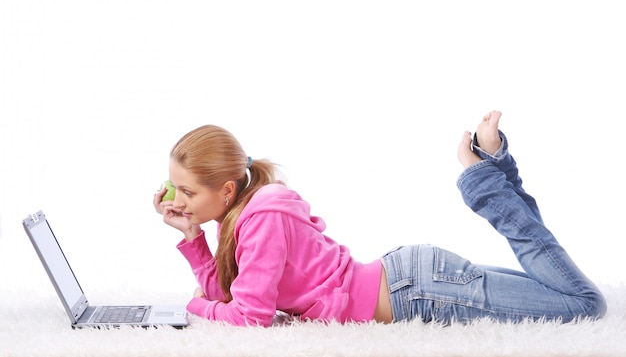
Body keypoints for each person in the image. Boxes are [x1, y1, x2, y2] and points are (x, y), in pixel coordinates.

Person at [153, 111, 606, 327]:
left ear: (226, 190)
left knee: (584, 305)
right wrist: (193, 237)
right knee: (558, 293)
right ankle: (494, 163)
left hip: (424, 292)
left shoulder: (262, 220)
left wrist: (189, 307)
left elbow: (250, 318)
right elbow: (235, 294)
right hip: (416, 281)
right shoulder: (248, 218)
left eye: (189, 192)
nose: (182, 200)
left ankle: (482, 180)